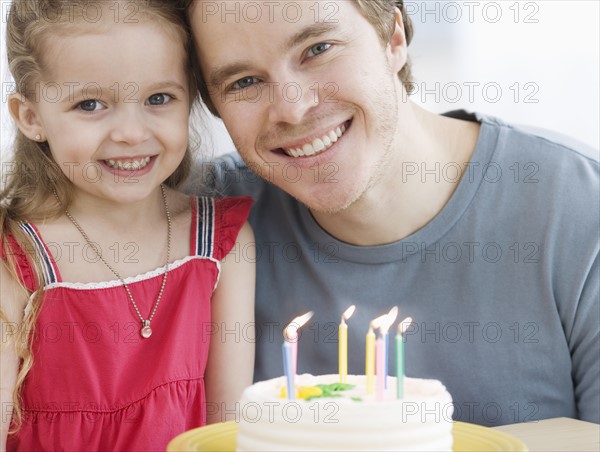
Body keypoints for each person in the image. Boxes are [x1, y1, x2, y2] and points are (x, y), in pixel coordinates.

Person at [186, 0, 599, 427]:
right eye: (244, 81)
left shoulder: (581, 212)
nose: (292, 108)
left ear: (393, 38)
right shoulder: (193, 225)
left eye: (318, 48)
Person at [0, 1, 255, 449]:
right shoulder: (16, 258)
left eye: (159, 98)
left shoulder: (221, 245)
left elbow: (230, 432)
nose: (132, 133)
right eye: (91, 104)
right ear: (31, 116)